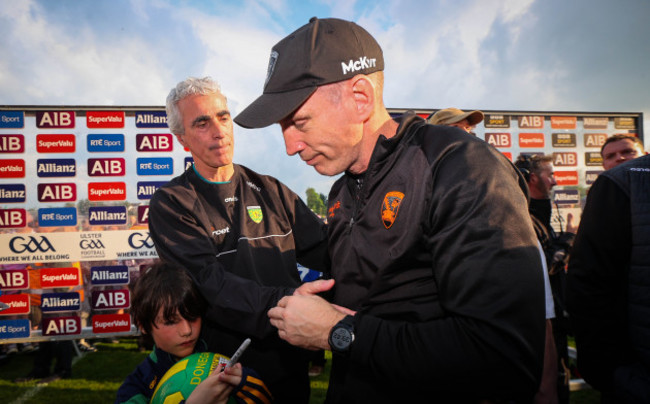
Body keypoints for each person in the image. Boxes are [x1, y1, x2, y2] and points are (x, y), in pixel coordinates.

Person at [236, 17, 546, 403]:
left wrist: (338, 331)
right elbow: (381, 302)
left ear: (360, 98)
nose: (289, 146)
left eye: (299, 122)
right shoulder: (340, 191)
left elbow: (503, 356)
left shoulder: (459, 167)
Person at [148, 76, 329, 403]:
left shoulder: (272, 189)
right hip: (223, 371)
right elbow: (210, 284)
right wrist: (292, 302)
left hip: (288, 359)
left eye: (223, 117)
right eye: (202, 122)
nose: (218, 130)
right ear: (181, 139)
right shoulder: (171, 202)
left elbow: (326, 251)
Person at [115, 261, 272, 404]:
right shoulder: (136, 387)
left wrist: (245, 382)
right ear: (143, 325)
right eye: (170, 321)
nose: (187, 330)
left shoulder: (222, 355)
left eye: (192, 317)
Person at [566, 153, 650, 403]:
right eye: (611, 155)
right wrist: (616, 377)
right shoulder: (622, 183)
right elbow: (589, 289)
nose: (620, 158)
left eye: (626, 153)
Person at [514, 154, 577, 404]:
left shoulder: (539, 214)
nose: (555, 181)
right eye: (550, 175)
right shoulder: (522, 218)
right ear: (532, 179)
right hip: (539, 325)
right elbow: (545, 267)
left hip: (555, 321)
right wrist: (570, 238)